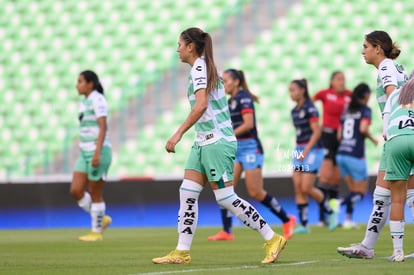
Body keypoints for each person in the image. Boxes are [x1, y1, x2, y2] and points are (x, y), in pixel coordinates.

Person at [151, 27, 286, 265]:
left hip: (217, 141)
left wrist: (178, 133)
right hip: (203, 142)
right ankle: (182, 251)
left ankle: (272, 237)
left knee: (225, 198)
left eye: (180, 45)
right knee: (187, 193)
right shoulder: (202, 67)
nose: (177, 49)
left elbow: (201, 104)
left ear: (190, 46)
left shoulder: (200, 67)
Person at [337, 30, 414, 259]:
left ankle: (371, 247)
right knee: (390, 194)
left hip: (397, 133)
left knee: (396, 194)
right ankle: (367, 246)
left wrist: (389, 128)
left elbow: (393, 96)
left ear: (378, 48)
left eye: (365, 46)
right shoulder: (396, 67)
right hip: (405, 131)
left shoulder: (386, 67)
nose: (363, 51)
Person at [207, 69, 296, 241]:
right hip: (236, 148)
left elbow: (248, 124)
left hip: (250, 148)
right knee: (225, 188)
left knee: (255, 191)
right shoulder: (230, 100)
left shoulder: (244, 98)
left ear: (236, 82)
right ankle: (227, 231)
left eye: (225, 80)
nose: (223, 84)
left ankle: (287, 219)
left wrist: (228, 135)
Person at [289, 79, 338, 233]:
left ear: (303, 90)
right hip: (299, 149)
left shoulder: (310, 108)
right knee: (298, 187)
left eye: (294, 90)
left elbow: (317, 131)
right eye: (290, 90)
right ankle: (304, 225)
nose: (291, 93)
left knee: (306, 187)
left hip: (313, 150)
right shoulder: (294, 111)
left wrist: (306, 150)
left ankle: (331, 212)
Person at [70, 70, 112, 241]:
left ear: (90, 83)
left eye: (80, 81)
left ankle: (96, 231)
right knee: (76, 190)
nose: (77, 85)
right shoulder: (83, 101)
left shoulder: (97, 99)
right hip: (84, 151)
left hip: (98, 150)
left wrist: (97, 152)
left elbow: (103, 126)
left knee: (95, 192)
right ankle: (102, 217)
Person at [312, 71, 352, 226]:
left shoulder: (349, 95)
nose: (342, 82)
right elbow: (309, 103)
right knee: (324, 177)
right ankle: (322, 217)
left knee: (335, 180)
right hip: (327, 137)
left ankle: (333, 217)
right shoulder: (325, 94)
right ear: (332, 81)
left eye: (343, 79)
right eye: (339, 79)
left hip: (342, 139)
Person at [336, 83, 378, 229]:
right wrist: (373, 139)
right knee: (360, 191)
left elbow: (339, 135)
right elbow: (363, 128)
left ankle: (347, 219)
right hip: (355, 155)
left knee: (353, 191)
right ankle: (338, 203)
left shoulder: (347, 110)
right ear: (366, 95)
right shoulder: (365, 110)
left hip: (341, 154)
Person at [381, 77, 414, 261]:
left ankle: (398, 252)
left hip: (397, 140)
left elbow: (385, 131)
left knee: (398, 201)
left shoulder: (395, 94)